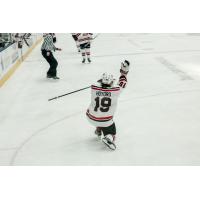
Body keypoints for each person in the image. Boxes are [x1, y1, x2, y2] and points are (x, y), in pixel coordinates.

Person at [86, 60, 130, 150]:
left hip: (90, 118)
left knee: (97, 112)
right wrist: (124, 72)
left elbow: (98, 84)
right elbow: (122, 83)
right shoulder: (115, 91)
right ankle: (108, 137)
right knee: (111, 129)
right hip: (104, 121)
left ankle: (98, 130)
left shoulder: (94, 88)